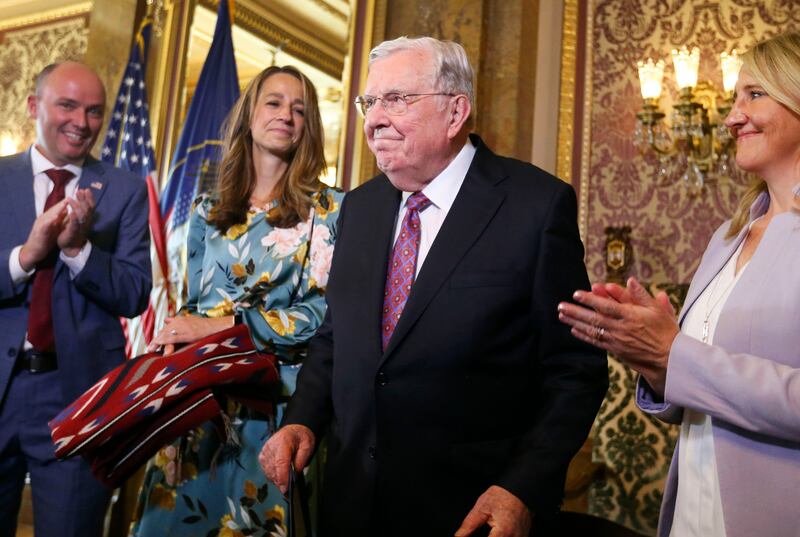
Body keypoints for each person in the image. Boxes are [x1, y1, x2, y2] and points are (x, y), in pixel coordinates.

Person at [260, 36, 608, 536]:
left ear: (455, 112)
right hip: (353, 509)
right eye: (369, 102)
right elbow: (338, 338)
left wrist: (522, 487)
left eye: (395, 99)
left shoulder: (535, 206)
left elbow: (577, 371)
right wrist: (302, 420)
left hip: (471, 513)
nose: (374, 118)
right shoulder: (359, 209)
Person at [557, 31, 800, 537]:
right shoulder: (728, 235)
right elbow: (696, 384)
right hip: (693, 505)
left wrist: (677, 353)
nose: (732, 117)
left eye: (754, 94)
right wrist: (652, 358)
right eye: (734, 99)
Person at [129, 65, 343, 537]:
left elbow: (325, 318)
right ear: (248, 116)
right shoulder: (208, 212)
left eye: (300, 108)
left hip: (272, 417)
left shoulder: (331, 212)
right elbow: (192, 306)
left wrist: (219, 328)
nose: (286, 114)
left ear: (309, 127)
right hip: (198, 410)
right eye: (274, 102)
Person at [0, 62, 152, 537]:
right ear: (33, 107)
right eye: (67, 105)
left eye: (94, 112)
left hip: (77, 396)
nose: (82, 123)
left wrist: (76, 250)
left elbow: (134, 293)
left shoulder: (125, 191)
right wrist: (27, 256)